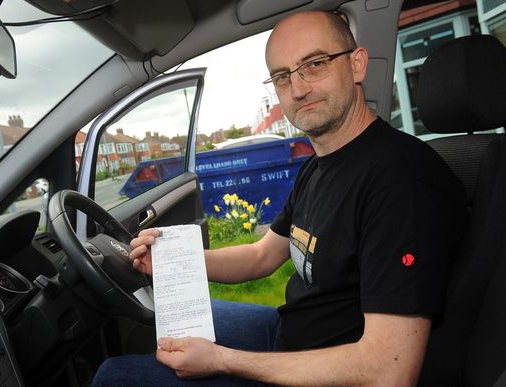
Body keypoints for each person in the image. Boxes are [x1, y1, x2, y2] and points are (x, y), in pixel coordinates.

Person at [92, 10, 466, 386]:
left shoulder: (401, 182)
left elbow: (389, 370)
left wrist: (223, 360)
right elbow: (262, 255)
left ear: (357, 65)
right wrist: (172, 262)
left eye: (315, 64)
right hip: (290, 334)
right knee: (167, 326)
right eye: (283, 76)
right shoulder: (318, 167)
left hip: (331, 369)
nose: (298, 89)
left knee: (114, 375)